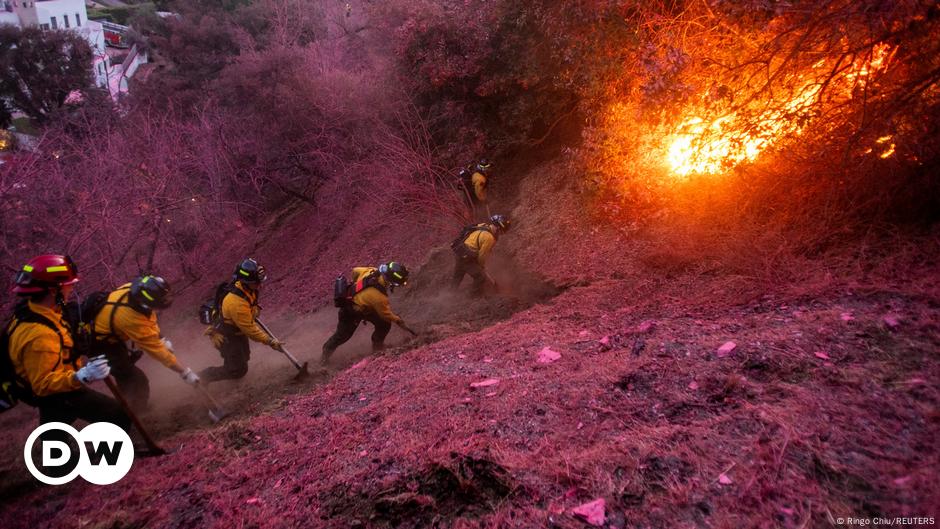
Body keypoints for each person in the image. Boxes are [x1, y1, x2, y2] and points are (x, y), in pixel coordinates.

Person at [5, 255, 129, 432]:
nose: (71, 288)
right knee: (116, 415)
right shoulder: (39, 335)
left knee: (55, 430)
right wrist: (82, 376)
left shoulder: (37, 310)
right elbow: (43, 385)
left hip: (57, 386)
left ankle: (54, 441)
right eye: (68, 285)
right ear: (53, 290)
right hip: (57, 392)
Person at [91, 275, 200, 410]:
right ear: (146, 303)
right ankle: (135, 412)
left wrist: (161, 338)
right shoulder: (131, 319)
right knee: (135, 379)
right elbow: (159, 353)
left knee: (127, 375)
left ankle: (130, 404)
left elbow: (149, 318)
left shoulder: (134, 293)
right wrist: (184, 372)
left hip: (111, 334)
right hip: (100, 345)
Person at [199, 258, 284, 383]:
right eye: (256, 282)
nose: (260, 285)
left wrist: (254, 311)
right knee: (237, 370)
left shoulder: (248, 289)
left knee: (244, 357)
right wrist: (270, 341)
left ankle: (232, 368)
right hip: (226, 335)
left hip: (237, 331)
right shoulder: (236, 303)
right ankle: (201, 378)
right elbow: (251, 330)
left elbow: (251, 306)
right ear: (245, 282)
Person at [322, 262, 415, 365]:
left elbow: (355, 271)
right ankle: (324, 357)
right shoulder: (379, 298)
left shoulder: (372, 271)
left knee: (384, 324)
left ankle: (377, 348)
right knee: (342, 336)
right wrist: (399, 320)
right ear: (392, 282)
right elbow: (386, 314)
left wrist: (357, 285)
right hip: (350, 311)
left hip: (364, 307)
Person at [451, 214, 511, 295]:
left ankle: (450, 294)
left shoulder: (483, 225)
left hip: (460, 252)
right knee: (480, 277)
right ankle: (471, 297)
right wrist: (481, 267)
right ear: (498, 228)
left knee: (457, 277)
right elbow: (482, 256)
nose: (500, 234)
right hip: (467, 258)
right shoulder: (489, 238)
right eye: (501, 232)